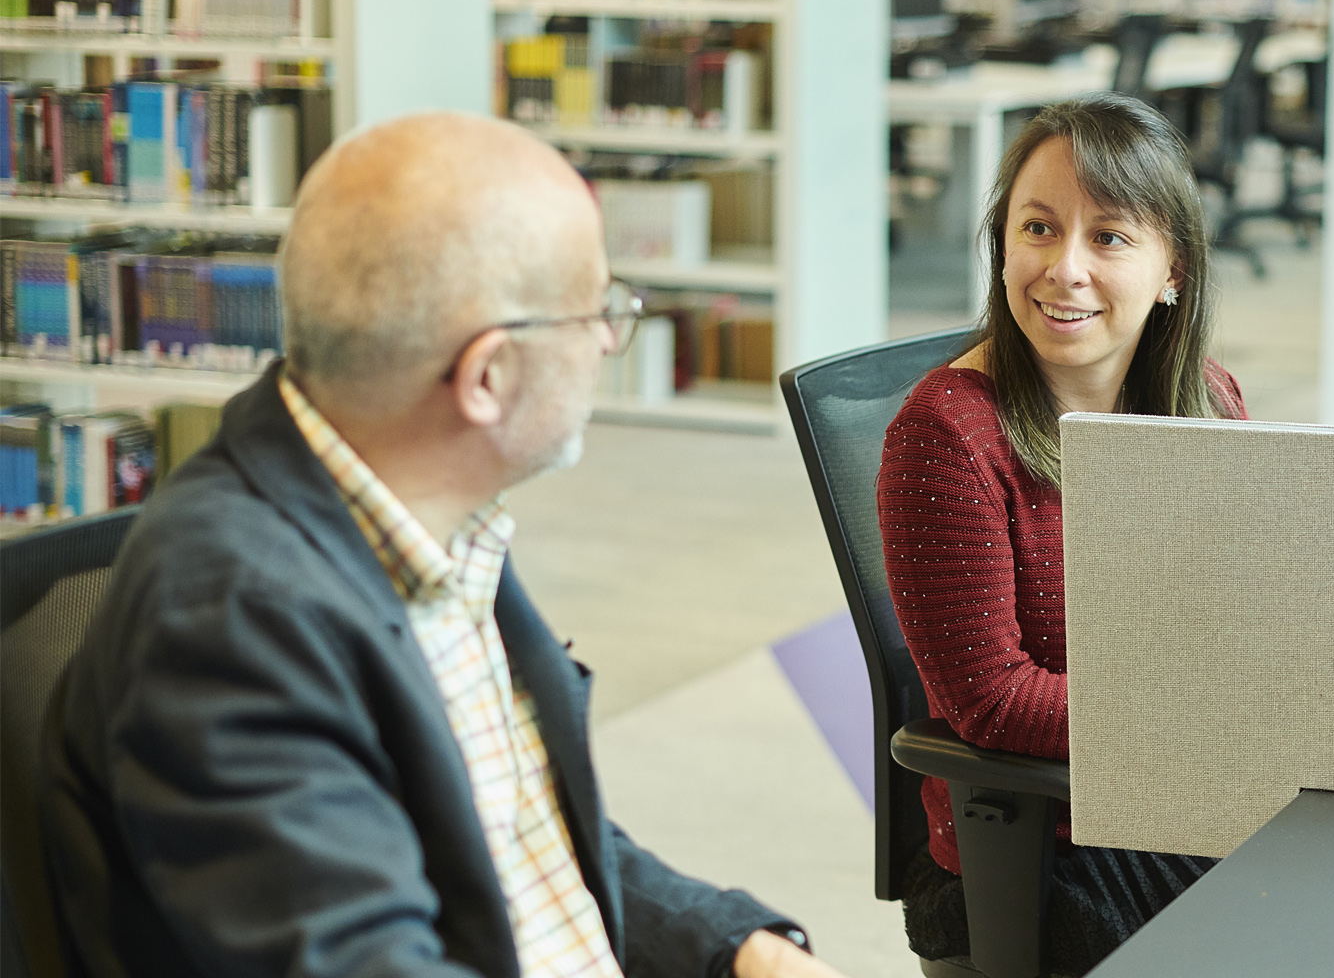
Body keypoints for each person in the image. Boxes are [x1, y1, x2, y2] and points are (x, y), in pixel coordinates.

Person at [39, 113, 845, 978]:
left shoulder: (434, 518)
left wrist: (735, 949)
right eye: (599, 311)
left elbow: (514, 824)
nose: (611, 338)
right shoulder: (235, 618)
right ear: (488, 376)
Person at [875, 92, 1247, 976]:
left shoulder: (1208, 398)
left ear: (1174, 271)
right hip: (1042, 843)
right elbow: (993, 702)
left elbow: (1239, 620)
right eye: (1038, 228)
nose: (1064, 268)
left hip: (1181, 796)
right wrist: (1211, 723)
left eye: (1110, 237)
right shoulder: (948, 437)